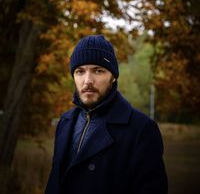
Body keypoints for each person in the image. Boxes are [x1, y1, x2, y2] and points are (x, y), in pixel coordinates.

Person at [45, 34, 168, 194]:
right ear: (73, 76)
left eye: (98, 71)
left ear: (113, 77)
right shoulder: (65, 122)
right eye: (80, 71)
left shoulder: (141, 129)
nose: (88, 80)